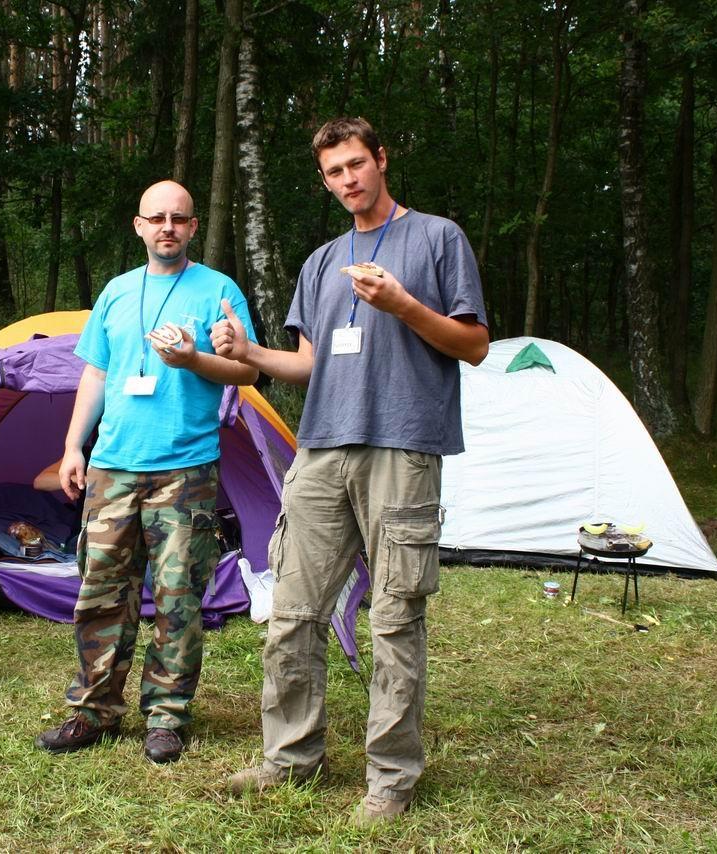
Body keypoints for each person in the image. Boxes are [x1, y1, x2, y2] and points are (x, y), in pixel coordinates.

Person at [213, 117, 488, 825]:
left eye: (357, 164)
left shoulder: (437, 239)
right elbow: (307, 365)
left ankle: (390, 779)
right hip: (321, 450)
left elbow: (474, 345)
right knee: (291, 611)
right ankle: (289, 757)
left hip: (403, 447)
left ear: (381, 159)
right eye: (334, 172)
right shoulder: (322, 261)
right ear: (324, 180)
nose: (348, 180)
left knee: (395, 616)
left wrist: (403, 304)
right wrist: (248, 353)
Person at [34, 180, 258, 764]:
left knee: (178, 598)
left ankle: (166, 715)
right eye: (156, 218)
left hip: (185, 470)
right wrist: (73, 446)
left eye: (178, 219)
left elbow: (247, 372)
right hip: (112, 468)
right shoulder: (115, 292)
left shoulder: (220, 291)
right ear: (139, 226)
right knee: (101, 593)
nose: (167, 228)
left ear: (193, 226)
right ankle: (93, 710)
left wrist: (195, 358)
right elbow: (95, 374)